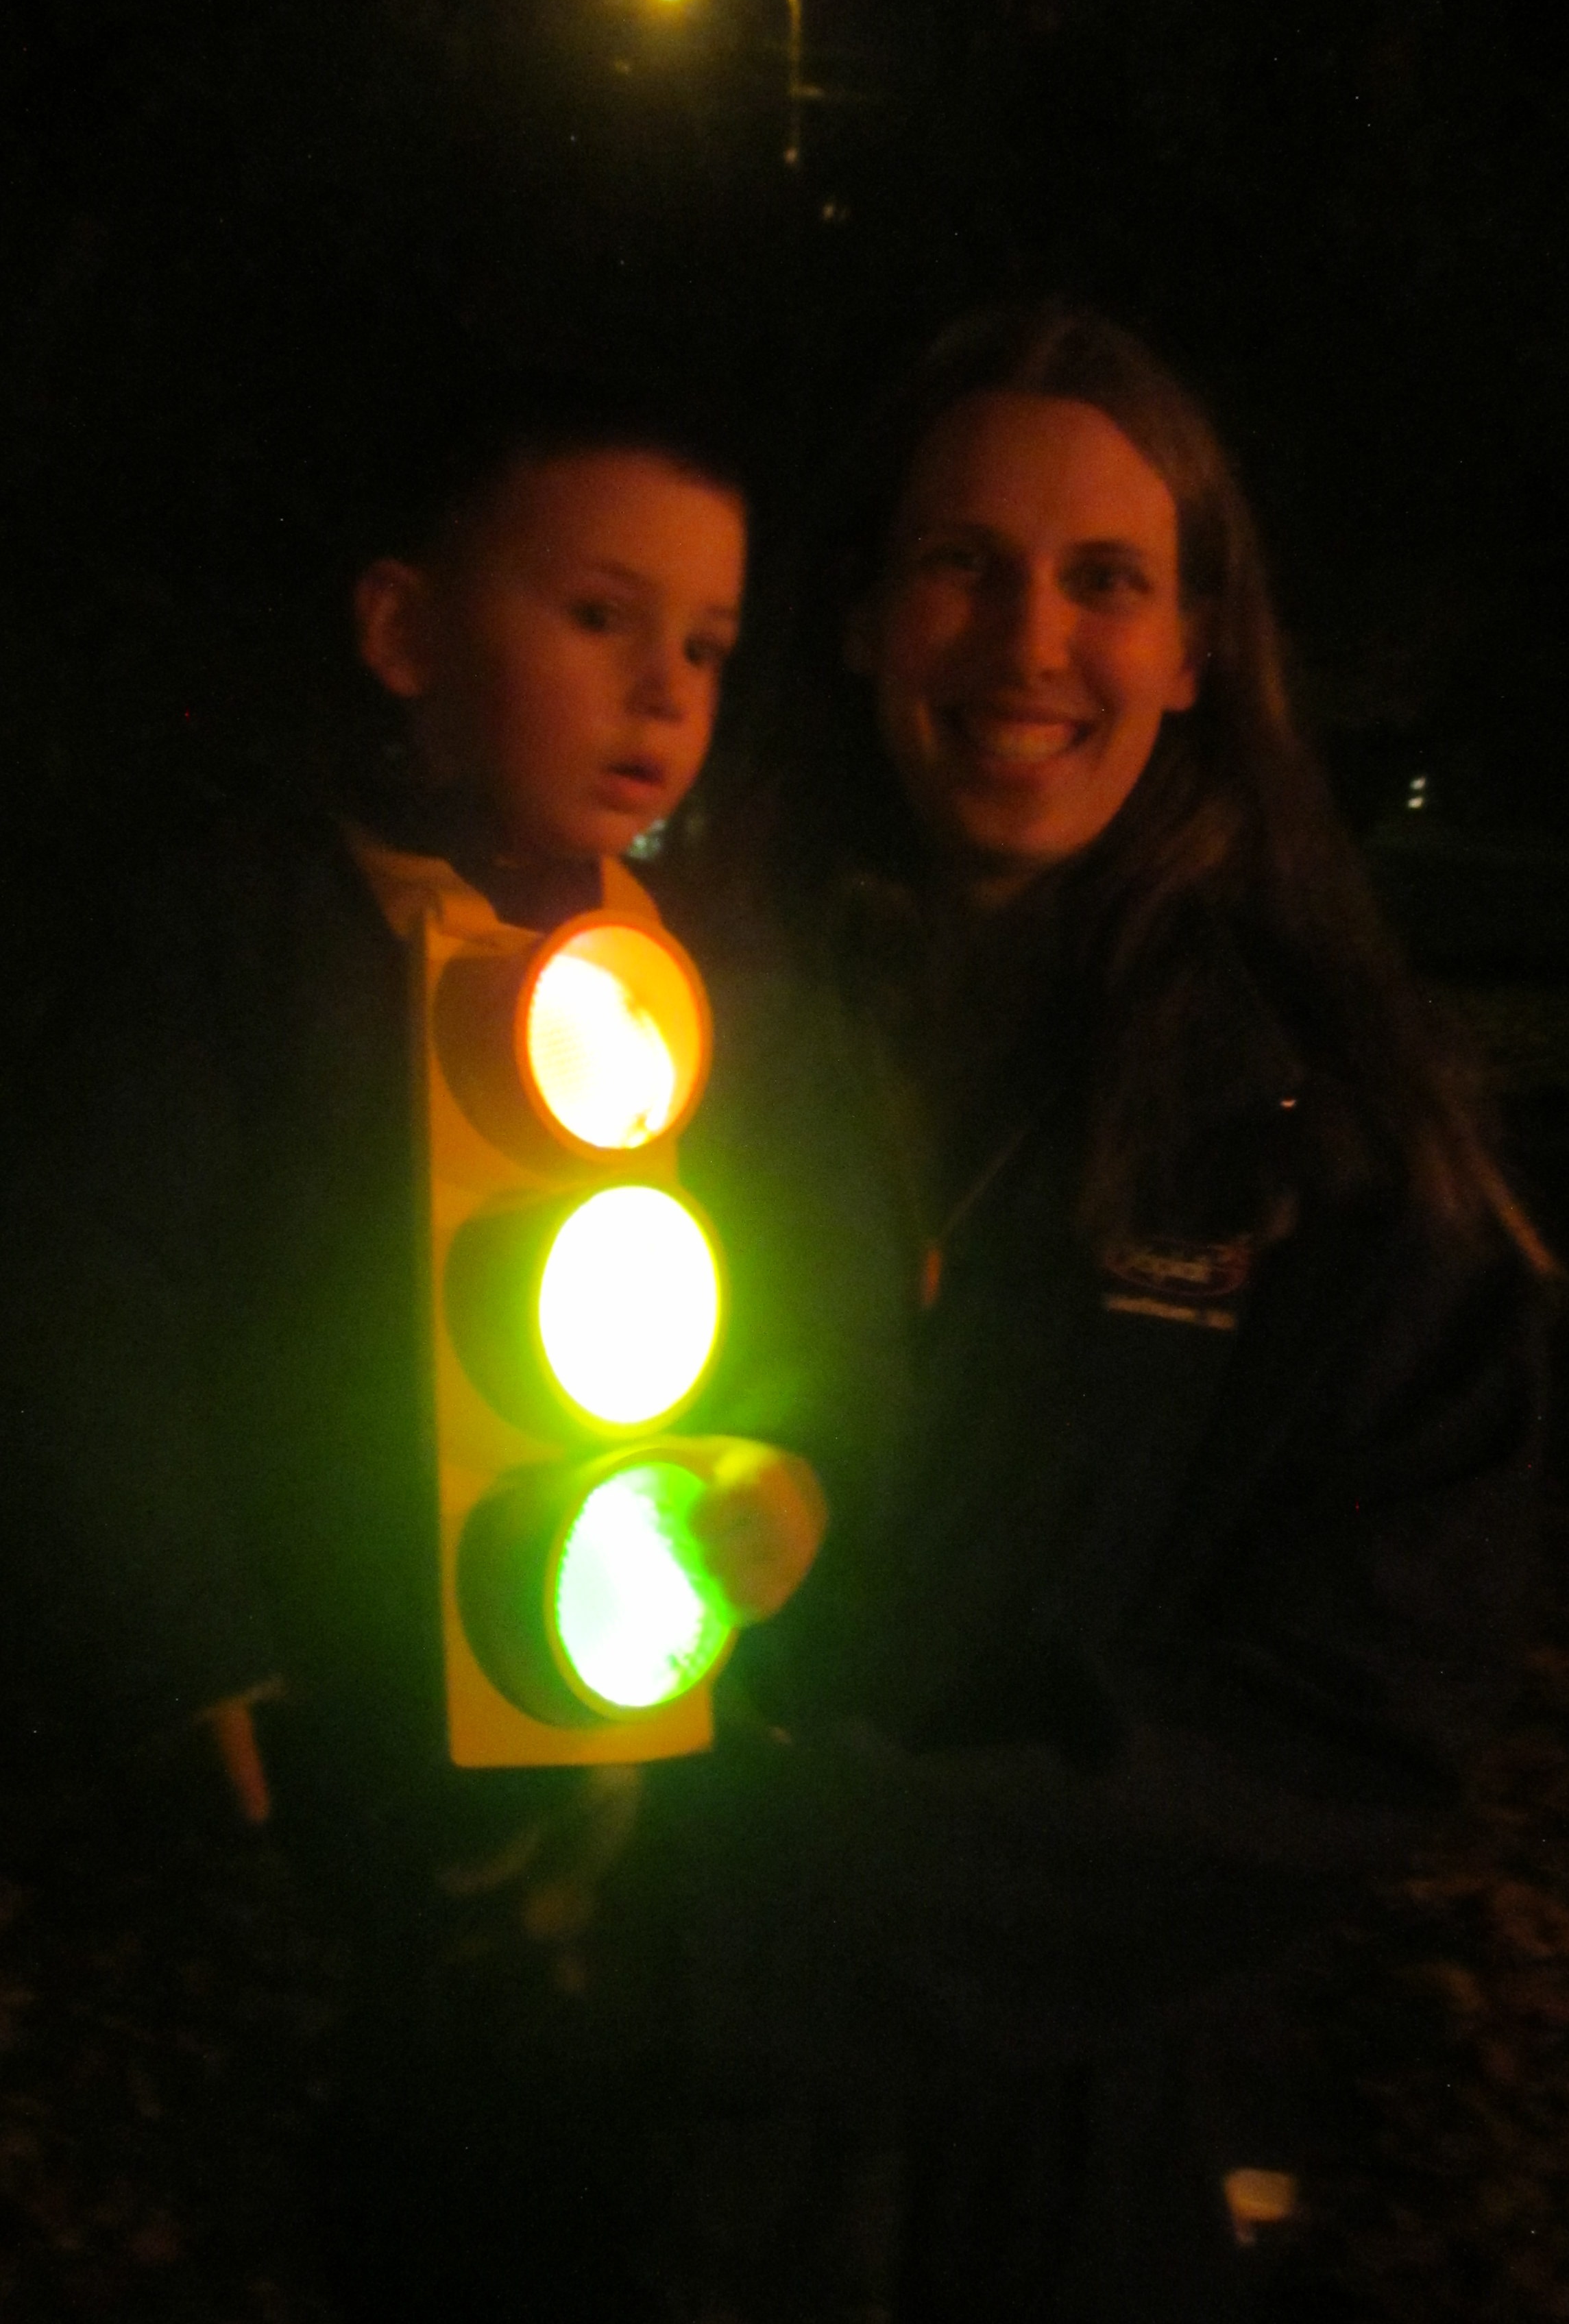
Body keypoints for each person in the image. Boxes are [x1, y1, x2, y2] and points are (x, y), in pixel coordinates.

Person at [646, 301, 1554, 2322]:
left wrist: (768, 1896)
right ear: (862, 616)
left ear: (1198, 646)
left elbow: (1351, 1711)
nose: (1028, 641)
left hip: (1087, 2167)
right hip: (658, 2157)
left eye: (1106, 581)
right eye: (963, 564)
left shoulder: (1326, 1131)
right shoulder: (650, 1039)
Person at [0, 367, 834, 2319]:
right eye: (600, 614)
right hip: (317, 1731)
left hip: (615, 1728)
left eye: (708, 644)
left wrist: (787, 1478)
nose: (662, 688)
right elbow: (87, 1293)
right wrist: (184, 1644)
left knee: (578, 2169)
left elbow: (806, 1292)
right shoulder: (245, 940)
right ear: (400, 631)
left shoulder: (711, 987)